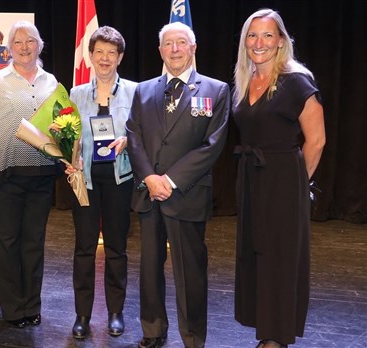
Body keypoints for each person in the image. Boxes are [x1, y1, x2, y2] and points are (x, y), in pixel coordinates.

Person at [126, 22, 230, 348]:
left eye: (181, 43)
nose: (174, 49)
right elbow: (134, 136)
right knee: (150, 269)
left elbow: (212, 145)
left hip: (186, 194)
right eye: (168, 44)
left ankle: (193, 338)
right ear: (160, 51)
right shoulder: (143, 91)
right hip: (149, 195)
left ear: (193, 48)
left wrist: (169, 180)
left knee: (191, 273)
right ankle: (153, 330)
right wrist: (149, 178)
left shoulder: (216, 90)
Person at [232, 9, 325, 348]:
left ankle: (277, 337)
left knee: (281, 258)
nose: (259, 42)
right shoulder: (244, 80)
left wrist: (298, 184)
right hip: (251, 178)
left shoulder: (297, 81)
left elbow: (317, 140)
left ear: (281, 41)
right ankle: (265, 327)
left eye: (268, 35)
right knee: (258, 254)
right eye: (253, 35)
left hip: (284, 179)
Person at [0, 20, 59, 328]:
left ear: (40, 46)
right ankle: (12, 309)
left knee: (33, 242)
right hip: (3, 172)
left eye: (31, 41)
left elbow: (60, 126)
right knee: (7, 243)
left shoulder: (51, 82)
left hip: (41, 173)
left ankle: (31, 306)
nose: (25, 47)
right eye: (18, 42)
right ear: (10, 48)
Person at [65, 26, 137, 339]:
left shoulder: (136, 92)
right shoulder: (76, 94)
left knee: (117, 248)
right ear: (90, 56)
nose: (105, 58)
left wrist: (127, 139)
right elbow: (69, 136)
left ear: (120, 57)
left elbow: (143, 134)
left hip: (121, 179)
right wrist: (70, 157)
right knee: (83, 248)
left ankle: (115, 312)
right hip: (86, 181)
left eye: (111, 53)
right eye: (99, 52)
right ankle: (82, 314)